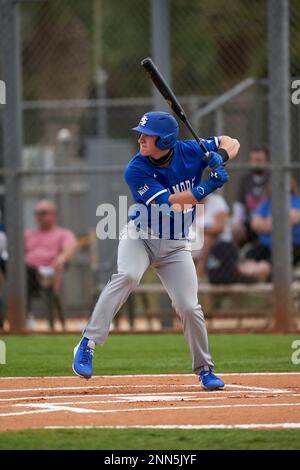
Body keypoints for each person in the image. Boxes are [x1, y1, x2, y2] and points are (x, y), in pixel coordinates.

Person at [72, 111, 240, 390]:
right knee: (127, 276)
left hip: (175, 245)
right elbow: (173, 204)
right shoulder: (136, 169)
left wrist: (220, 156)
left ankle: (205, 369)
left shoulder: (189, 150)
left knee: (188, 306)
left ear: (165, 141)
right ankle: (88, 342)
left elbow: (231, 141)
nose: (140, 139)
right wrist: (208, 185)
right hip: (140, 237)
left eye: (147, 135)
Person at [25, 200, 78, 328]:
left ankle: (25, 316)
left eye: (43, 213)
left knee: (23, 273)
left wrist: (62, 258)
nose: (39, 216)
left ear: (54, 214)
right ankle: (24, 316)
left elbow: (70, 248)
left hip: (48, 276)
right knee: (17, 269)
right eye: (36, 213)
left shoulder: (63, 234)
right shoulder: (28, 234)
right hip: (25, 274)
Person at [237, 178, 300, 281]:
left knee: (269, 264)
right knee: (247, 258)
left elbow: (294, 218)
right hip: (265, 244)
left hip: (290, 245)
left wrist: (266, 223)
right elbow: (255, 224)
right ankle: (256, 271)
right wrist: (280, 221)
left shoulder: (296, 201)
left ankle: (261, 270)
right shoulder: (267, 203)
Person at [192, 193, 239, 284]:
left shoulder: (216, 201)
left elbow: (220, 228)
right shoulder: (189, 204)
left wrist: (202, 231)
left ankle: (197, 277)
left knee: (207, 239)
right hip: (194, 240)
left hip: (220, 242)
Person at [232, 146, 269, 247]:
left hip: (267, 220)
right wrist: (236, 223)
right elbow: (239, 204)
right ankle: (239, 259)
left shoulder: (272, 179)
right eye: (254, 160)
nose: (256, 163)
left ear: (266, 161)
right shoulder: (245, 180)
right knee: (236, 230)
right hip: (249, 221)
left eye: (260, 160)